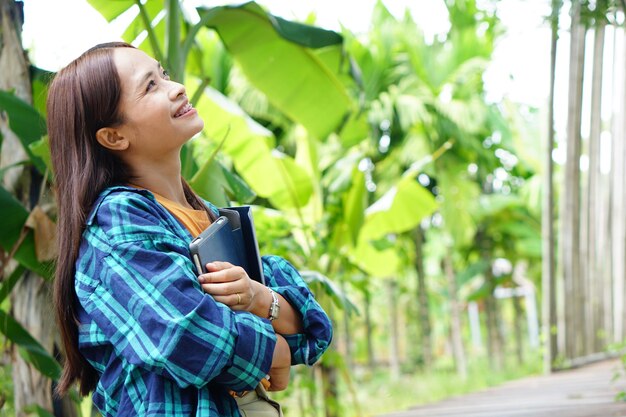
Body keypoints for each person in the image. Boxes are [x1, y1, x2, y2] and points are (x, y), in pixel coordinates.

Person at [47, 41, 332, 416]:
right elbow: (187, 335)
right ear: (114, 136)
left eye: (163, 74)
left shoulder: (208, 216)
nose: (176, 87)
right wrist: (277, 350)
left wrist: (258, 298)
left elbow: (312, 326)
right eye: (150, 86)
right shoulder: (117, 221)